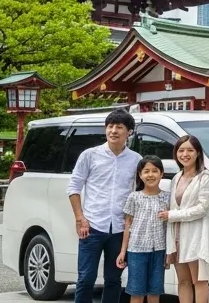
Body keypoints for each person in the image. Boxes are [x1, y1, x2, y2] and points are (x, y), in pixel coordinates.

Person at [68, 108, 141, 303]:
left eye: (119, 127)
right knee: (85, 278)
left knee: (113, 279)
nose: (113, 131)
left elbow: (140, 192)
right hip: (91, 226)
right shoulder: (90, 155)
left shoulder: (136, 160)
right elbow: (73, 187)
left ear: (129, 132)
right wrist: (79, 218)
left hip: (119, 228)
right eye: (110, 126)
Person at [163, 135, 209, 303]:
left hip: (197, 236)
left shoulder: (205, 177)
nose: (185, 154)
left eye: (190, 150)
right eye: (181, 150)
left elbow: (203, 208)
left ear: (198, 153)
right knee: (183, 281)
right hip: (178, 237)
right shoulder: (176, 177)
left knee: (199, 281)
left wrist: (172, 215)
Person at [117, 156, 169, 303]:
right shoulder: (134, 197)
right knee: (136, 292)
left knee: (155, 292)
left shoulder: (167, 198)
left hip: (159, 251)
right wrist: (123, 251)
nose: (150, 175)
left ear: (162, 174)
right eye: (146, 171)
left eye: (155, 171)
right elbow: (127, 225)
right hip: (136, 251)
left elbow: (171, 228)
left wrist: (170, 252)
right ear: (140, 174)